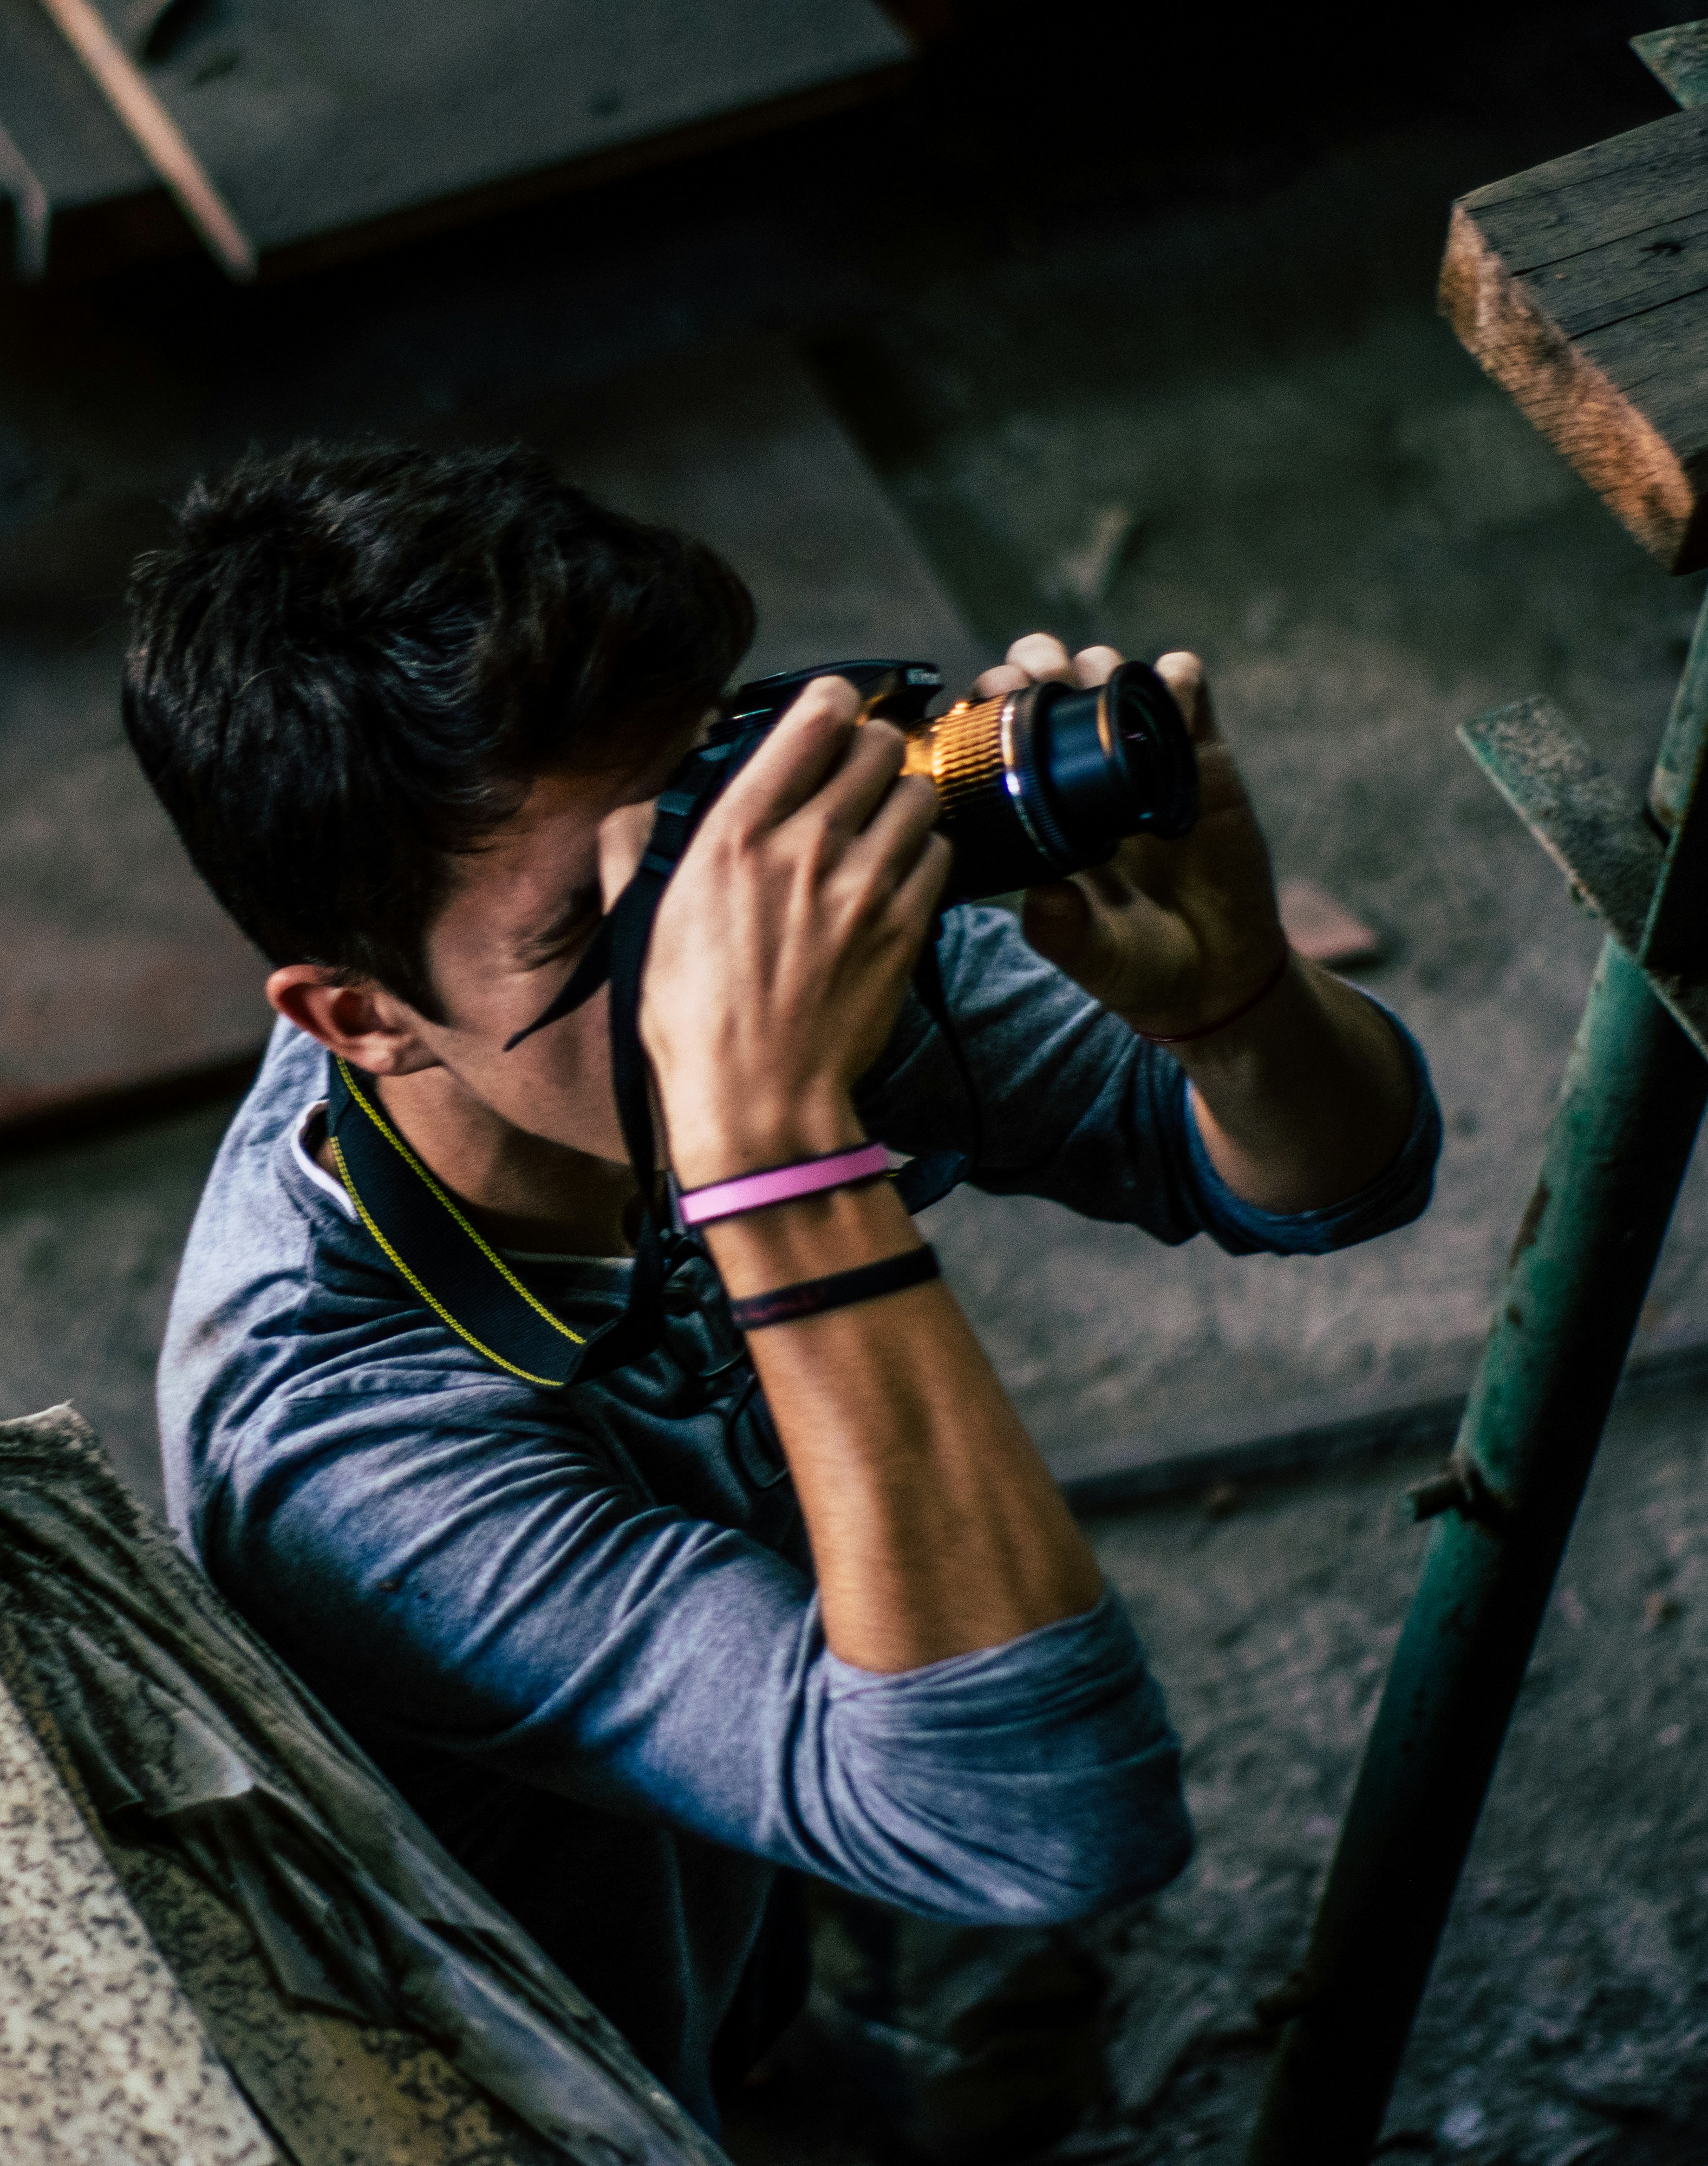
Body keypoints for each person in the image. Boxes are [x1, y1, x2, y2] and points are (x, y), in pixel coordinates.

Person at [125, 441, 1438, 2130]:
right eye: (593, 932)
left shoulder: (734, 921)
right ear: (359, 1018)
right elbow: (1036, 1815)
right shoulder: (346, 1451)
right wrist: (779, 1155)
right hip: (576, 2065)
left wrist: (1236, 1002)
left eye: (703, 817)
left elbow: (1332, 1180)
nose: (724, 936)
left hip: (760, 1881)